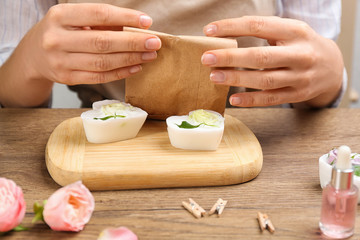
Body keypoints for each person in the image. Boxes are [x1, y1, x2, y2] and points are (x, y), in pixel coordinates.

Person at [0, 0, 345, 109]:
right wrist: (31, 61)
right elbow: (11, 95)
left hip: (262, 141)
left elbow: (311, 65)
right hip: (108, 147)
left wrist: (329, 73)